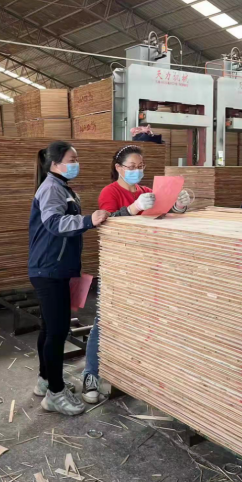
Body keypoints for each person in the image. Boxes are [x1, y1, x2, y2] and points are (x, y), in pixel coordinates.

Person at [82, 144, 191, 404]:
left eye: (141, 166)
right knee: (104, 319)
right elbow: (106, 224)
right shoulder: (110, 192)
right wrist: (132, 209)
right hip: (118, 265)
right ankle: (90, 375)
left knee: (139, 320)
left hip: (145, 266)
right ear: (119, 168)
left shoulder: (145, 191)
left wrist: (178, 206)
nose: (137, 170)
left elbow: (159, 217)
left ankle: (131, 374)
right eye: (132, 166)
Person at [29, 141, 109, 416]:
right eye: (72, 159)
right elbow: (53, 223)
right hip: (49, 269)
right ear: (55, 164)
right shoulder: (52, 188)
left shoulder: (62, 187)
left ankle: (45, 380)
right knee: (57, 332)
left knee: (49, 329)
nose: (76, 164)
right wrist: (88, 220)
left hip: (54, 267)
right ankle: (55, 393)